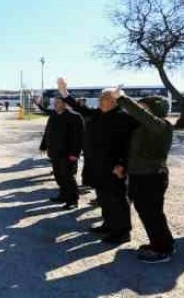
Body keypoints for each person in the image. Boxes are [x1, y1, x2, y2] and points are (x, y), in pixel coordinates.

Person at [58, 77, 137, 244]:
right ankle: (109, 224)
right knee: (104, 198)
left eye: (106, 98)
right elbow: (80, 107)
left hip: (115, 167)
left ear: (116, 101)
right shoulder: (99, 114)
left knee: (117, 200)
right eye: (101, 98)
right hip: (98, 165)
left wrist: (123, 164)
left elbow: (130, 145)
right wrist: (65, 93)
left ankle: (122, 232)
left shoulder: (124, 118)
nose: (101, 101)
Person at [110, 87, 175, 263]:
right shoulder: (142, 129)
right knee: (147, 212)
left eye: (143, 108)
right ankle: (160, 243)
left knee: (152, 213)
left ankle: (162, 250)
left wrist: (122, 98)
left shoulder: (161, 125)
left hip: (152, 176)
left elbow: (143, 116)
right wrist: (123, 165)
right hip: (139, 174)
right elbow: (133, 151)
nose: (138, 111)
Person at [38, 95, 84, 210]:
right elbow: (47, 131)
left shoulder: (74, 117)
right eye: (55, 102)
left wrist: (75, 154)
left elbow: (79, 138)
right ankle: (63, 195)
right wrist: (43, 145)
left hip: (68, 154)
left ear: (65, 104)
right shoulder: (53, 115)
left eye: (58, 102)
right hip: (55, 152)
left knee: (68, 176)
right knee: (58, 176)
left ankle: (73, 200)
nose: (55, 104)